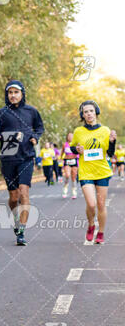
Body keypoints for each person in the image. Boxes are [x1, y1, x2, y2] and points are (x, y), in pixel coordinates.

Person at [0, 81, 44, 246]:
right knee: (14, 197)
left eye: (16, 92)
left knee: (24, 193)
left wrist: (35, 137)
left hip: (26, 157)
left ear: (22, 94)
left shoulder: (32, 111)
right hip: (8, 158)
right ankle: (16, 219)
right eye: (10, 93)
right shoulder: (1, 113)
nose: (13, 95)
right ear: (7, 95)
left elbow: (39, 128)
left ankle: (21, 231)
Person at [70, 100, 116, 245]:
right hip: (85, 172)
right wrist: (77, 150)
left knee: (101, 205)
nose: (89, 114)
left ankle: (101, 232)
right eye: (85, 112)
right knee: (91, 204)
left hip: (102, 171)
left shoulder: (105, 130)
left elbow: (110, 152)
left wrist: (113, 141)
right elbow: (72, 148)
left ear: (96, 112)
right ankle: (91, 225)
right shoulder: (78, 131)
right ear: (82, 115)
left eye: (91, 111)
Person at [61, 132, 79, 199]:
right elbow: (62, 153)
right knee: (67, 175)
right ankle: (65, 190)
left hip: (74, 161)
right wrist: (61, 159)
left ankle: (74, 192)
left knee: (74, 177)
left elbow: (79, 153)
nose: (70, 137)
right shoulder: (64, 144)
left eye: (71, 136)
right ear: (67, 137)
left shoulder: (75, 144)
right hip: (67, 161)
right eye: (69, 136)